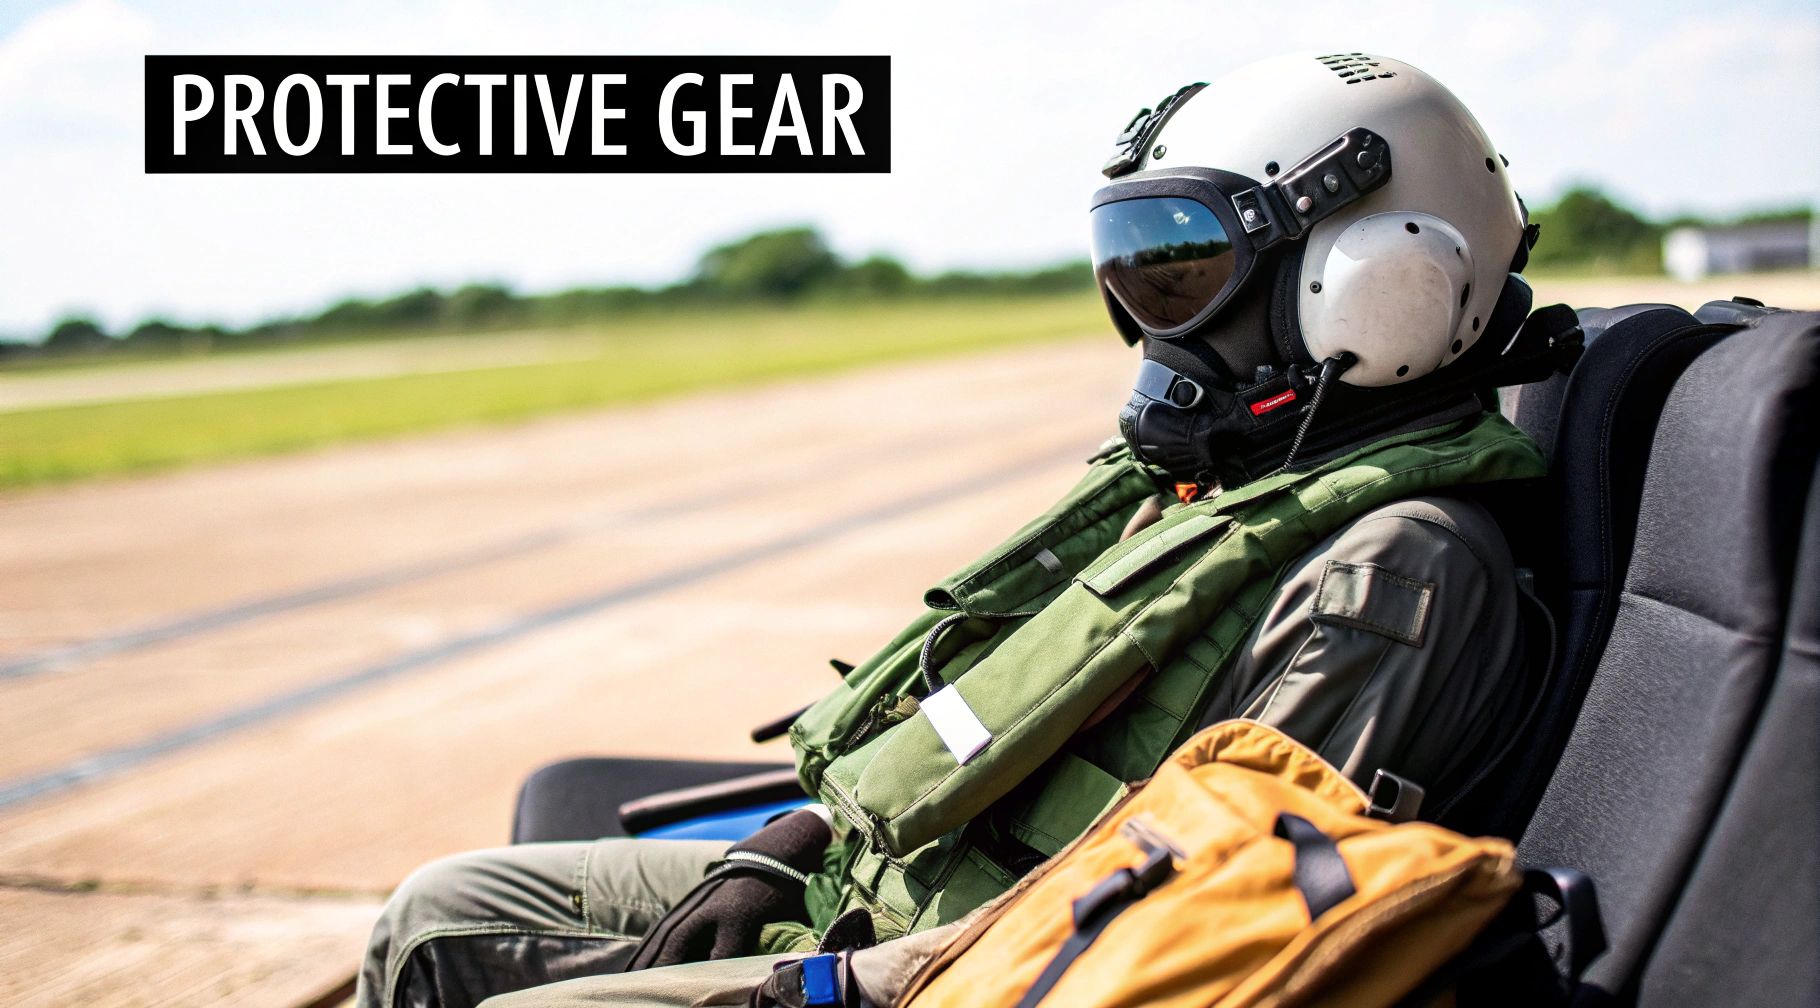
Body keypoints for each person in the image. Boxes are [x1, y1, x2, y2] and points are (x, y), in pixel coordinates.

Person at [356, 52, 1565, 1008]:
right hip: (876, 879)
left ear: (1374, 277)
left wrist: (821, 981)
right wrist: (797, 833)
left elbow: (1192, 919)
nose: (1152, 332)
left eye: (1179, 276)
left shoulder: (1393, 569)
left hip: (960, 961)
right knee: (433, 911)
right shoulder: (1238, 485)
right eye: (1135, 276)